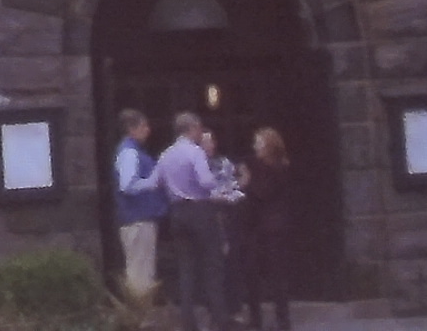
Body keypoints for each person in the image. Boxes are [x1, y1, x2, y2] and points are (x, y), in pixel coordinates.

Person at [156, 112, 229, 328]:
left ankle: (188, 323)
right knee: (212, 267)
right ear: (191, 128)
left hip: (177, 212)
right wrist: (222, 188)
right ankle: (219, 320)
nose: (200, 132)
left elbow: (157, 181)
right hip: (200, 211)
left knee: (186, 269)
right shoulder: (195, 152)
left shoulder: (166, 154)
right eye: (198, 128)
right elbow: (206, 181)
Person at [235, 127, 297, 331]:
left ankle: (283, 320)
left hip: (273, 229)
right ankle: (256, 318)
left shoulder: (279, 167)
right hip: (255, 228)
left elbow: (263, 192)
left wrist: (248, 180)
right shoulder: (256, 164)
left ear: (269, 145)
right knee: (252, 274)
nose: (255, 147)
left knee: (277, 276)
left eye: (258, 143)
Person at [112, 107, 165, 303]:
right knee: (140, 273)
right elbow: (127, 185)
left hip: (139, 218)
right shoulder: (129, 153)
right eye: (144, 126)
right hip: (137, 220)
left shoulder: (132, 151)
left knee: (142, 271)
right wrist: (153, 181)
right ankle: (140, 318)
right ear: (132, 128)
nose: (148, 130)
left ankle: (141, 316)